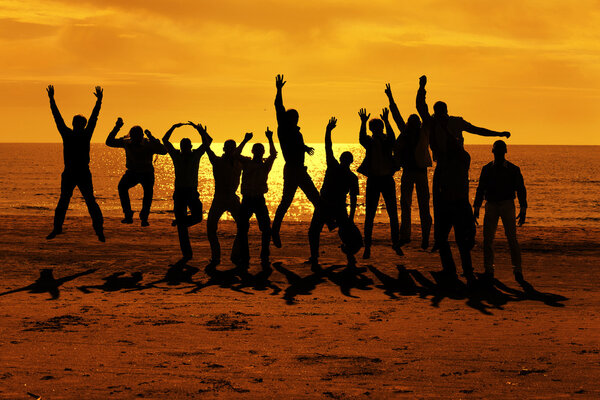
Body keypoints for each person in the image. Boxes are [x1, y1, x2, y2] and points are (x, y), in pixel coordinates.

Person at [416, 75, 510, 286]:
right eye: (436, 113)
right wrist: (421, 88)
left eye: (441, 113)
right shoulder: (431, 122)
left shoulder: (456, 126)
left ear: (446, 112)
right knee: (442, 220)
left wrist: (499, 133)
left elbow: (477, 129)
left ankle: (465, 265)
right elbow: (420, 106)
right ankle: (449, 263)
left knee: (459, 221)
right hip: (443, 169)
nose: (438, 116)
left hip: (457, 172)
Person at [46, 85, 105, 242]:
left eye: (79, 123)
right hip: (72, 172)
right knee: (67, 201)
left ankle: (99, 229)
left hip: (81, 172)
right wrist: (51, 100)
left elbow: (93, 118)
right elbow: (57, 117)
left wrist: (99, 101)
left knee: (88, 201)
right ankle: (57, 228)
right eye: (76, 123)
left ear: (80, 125)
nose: (77, 125)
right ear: (74, 124)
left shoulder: (82, 134)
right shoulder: (70, 134)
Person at [189, 121, 252, 266]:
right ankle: (216, 256)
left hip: (232, 198)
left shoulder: (239, 162)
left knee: (243, 226)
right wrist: (202, 133)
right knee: (211, 227)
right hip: (219, 198)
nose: (230, 150)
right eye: (228, 148)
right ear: (224, 149)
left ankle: (235, 254)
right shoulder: (217, 161)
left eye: (232, 148)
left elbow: (253, 162)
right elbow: (207, 147)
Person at [271, 74, 319, 248]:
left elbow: (297, 145)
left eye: (297, 117)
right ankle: (274, 231)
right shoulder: (283, 128)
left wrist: (304, 147)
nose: (296, 119)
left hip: (299, 169)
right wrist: (279, 90)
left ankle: (328, 222)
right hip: (293, 170)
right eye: (293, 117)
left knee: (314, 198)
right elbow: (278, 107)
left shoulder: (295, 131)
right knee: (288, 201)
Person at [308, 117, 362, 267]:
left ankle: (346, 251)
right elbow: (328, 146)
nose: (344, 161)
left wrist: (350, 217)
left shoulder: (349, 176)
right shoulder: (335, 167)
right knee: (314, 231)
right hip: (326, 204)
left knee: (322, 231)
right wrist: (327, 131)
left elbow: (352, 198)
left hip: (335, 206)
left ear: (349, 161)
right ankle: (314, 256)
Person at [385, 83, 433, 250]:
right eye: (411, 122)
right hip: (408, 172)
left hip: (420, 173)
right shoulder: (405, 132)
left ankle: (425, 237)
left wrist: (421, 88)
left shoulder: (424, 131)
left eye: (415, 122)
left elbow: (423, 110)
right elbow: (396, 115)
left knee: (423, 205)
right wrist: (390, 98)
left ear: (418, 123)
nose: (413, 124)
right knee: (406, 205)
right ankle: (405, 236)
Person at [474, 140, 527, 286]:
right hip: (494, 204)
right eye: (497, 151)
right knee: (490, 239)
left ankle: (515, 269)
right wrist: (477, 206)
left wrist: (523, 208)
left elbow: (521, 189)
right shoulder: (493, 169)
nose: (498, 154)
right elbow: (481, 188)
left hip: (504, 204)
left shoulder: (511, 169)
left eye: (498, 151)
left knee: (509, 239)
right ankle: (491, 269)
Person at [357, 107, 403, 259]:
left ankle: (395, 243)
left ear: (381, 128)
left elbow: (392, 136)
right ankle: (367, 246)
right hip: (374, 180)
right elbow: (362, 138)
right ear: (371, 129)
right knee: (369, 214)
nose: (376, 130)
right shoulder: (370, 142)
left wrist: (387, 121)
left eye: (378, 127)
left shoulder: (386, 141)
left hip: (386, 180)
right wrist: (363, 122)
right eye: (374, 128)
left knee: (392, 214)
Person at [105, 118, 167, 226]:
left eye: (137, 137)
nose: (135, 139)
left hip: (146, 173)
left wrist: (152, 137)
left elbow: (163, 151)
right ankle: (128, 215)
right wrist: (117, 127)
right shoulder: (127, 142)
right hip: (132, 172)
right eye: (133, 137)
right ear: (131, 136)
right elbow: (109, 142)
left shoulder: (148, 143)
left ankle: (143, 218)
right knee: (122, 187)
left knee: (148, 194)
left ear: (141, 136)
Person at [162, 123, 208, 262]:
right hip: (181, 192)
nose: (185, 147)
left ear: (190, 146)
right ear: (181, 146)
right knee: (182, 229)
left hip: (192, 192)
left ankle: (180, 222)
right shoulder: (176, 155)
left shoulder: (195, 155)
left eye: (187, 145)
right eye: (183, 145)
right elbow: (165, 140)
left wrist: (200, 131)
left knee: (198, 216)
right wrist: (173, 127)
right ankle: (187, 254)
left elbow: (207, 143)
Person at [234, 128, 278, 269]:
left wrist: (270, 139)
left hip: (258, 199)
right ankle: (245, 256)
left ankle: (264, 254)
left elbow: (273, 154)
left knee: (265, 229)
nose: (259, 152)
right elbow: (235, 154)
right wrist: (245, 140)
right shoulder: (246, 163)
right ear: (253, 152)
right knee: (242, 229)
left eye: (260, 150)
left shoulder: (265, 165)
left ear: (262, 152)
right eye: (256, 150)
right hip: (247, 199)